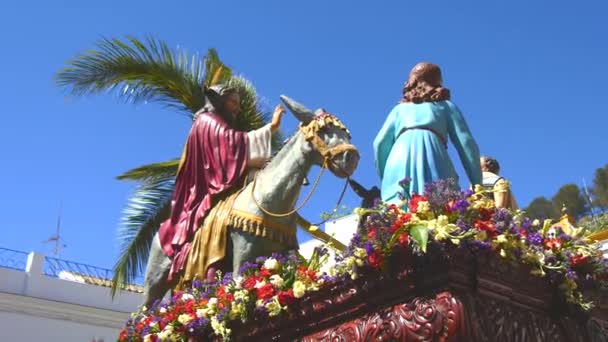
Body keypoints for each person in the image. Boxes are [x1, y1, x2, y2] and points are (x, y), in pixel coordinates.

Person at [158, 84, 285, 281]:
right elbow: (230, 146)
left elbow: (231, 151)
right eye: (234, 102)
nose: (238, 108)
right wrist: (271, 128)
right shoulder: (207, 120)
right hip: (206, 190)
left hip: (222, 185)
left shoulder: (219, 123)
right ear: (220, 100)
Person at [374, 62, 482, 204]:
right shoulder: (446, 107)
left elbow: (379, 143)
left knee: (396, 211)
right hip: (434, 158)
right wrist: (477, 184)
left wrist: (386, 177)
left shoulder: (398, 110)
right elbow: (466, 142)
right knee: (440, 208)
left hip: (398, 159)